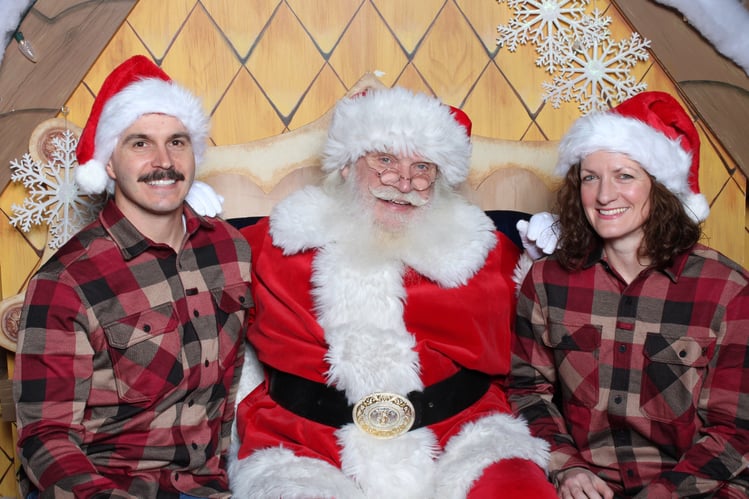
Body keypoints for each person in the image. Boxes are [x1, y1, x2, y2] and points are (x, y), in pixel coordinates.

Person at [227, 86, 556, 498]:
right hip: (305, 443)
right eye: (384, 159)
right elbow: (195, 290)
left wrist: (566, 257)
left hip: (462, 434)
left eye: (422, 166)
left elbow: (557, 330)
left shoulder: (485, 252)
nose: (402, 181)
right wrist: (189, 224)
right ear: (347, 165)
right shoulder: (274, 242)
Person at [13, 55, 252, 498]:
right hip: (107, 487)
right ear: (108, 163)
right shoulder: (67, 282)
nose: (164, 161)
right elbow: (44, 438)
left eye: (177, 142)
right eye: (140, 144)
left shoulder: (229, 250)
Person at [507, 91, 749, 498]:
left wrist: (665, 493)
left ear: (660, 187)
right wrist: (568, 468)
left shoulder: (727, 289)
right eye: (590, 177)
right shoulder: (548, 280)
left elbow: (736, 430)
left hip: (698, 485)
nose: (604, 196)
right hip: (587, 485)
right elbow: (528, 390)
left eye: (624, 175)